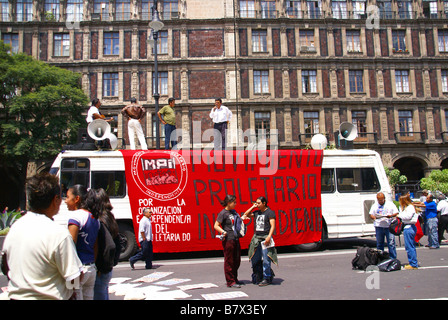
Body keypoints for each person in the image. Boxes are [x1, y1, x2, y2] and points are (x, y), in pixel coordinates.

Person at [2, 173, 83, 300]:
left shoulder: (15, 228)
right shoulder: (58, 234)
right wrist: (72, 291)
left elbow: (6, 266)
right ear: (55, 200)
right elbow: (73, 277)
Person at [85, 188, 121, 300]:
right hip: (106, 269)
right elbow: (118, 242)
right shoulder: (109, 217)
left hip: (101, 270)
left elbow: (110, 245)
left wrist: (100, 267)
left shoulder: (100, 221)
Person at [66, 186, 100, 300]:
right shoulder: (95, 218)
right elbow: (96, 246)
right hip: (91, 269)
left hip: (77, 270)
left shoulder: (76, 216)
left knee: (72, 297)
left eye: (67, 197)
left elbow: (70, 245)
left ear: (76, 199)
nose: (65, 201)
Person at [242, 196, 278, 286]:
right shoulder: (256, 212)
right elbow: (245, 215)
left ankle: (267, 277)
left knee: (266, 259)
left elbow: (272, 225)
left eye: (259, 203)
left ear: (264, 203)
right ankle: (258, 275)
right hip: (256, 238)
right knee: (255, 258)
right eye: (256, 203)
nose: (257, 204)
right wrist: (253, 207)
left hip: (265, 237)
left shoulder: (270, 213)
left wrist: (269, 237)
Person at [214, 195, 242, 288]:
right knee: (229, 260)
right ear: (229, 203)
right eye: (234, 202)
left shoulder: (233, 212)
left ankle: (235, 278)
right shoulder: (223, 213)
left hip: (236, 238)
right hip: (228, 239)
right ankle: (230, 281)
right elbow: (216, 225)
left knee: (237, 260)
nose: (236, 204)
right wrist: (223, 231)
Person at [369, 192, 398, 259]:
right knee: (379, 243)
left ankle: (392, 258)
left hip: (388, 226)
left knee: (391, 243)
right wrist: (374, 217)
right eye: (379, 200)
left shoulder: (390, 204)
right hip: (379, 226)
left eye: (381, 200)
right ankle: (380, 258)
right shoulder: (375, 205)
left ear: (384, 199)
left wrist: (391, 215)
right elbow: (371, 214)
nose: (380, 202)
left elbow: (396, 212)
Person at [398, 195, 419, 269]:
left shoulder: (410, 207)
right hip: (408, 227)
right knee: (409, 246)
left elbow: (407, 217)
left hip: (409, 227)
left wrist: (399, 215)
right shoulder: (406, 207)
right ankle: (413, 262)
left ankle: (413, 263)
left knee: (409, 246)